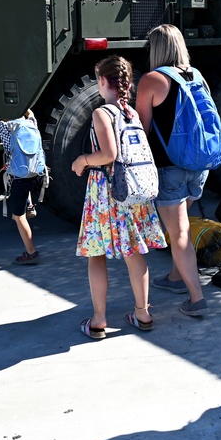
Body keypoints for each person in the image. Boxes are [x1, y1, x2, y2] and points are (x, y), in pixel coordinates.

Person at [71, 55, 165, 339]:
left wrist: (83, 160)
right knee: (134, 252)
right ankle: (142, 312)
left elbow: (109, 155)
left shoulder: (102, 113)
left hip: (106, 191)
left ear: (102, 81)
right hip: (132, 191)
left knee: (96, 254)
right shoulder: (131, 114)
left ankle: (99, 319)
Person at [136, 24, 210, 317]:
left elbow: (142, 129)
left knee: (178, 233)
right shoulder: (197, 76)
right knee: (182, 226)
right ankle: (176, 279)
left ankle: (197, 299)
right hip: (198, 165)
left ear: (156, 48)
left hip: (170, 169)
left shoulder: (152, 80)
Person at [0, 111, 44, 265]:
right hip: (37, 174)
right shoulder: (32, 122)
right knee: (20, 206)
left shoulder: (3, 127)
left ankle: (31, 253)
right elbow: (31, 112)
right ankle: (29, 205)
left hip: (20, 179)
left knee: (18, 217)